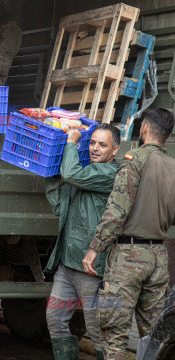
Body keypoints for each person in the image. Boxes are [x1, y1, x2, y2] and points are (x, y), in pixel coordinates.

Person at [83, 108, 175, 360]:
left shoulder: (135, 158)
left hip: (128, 258)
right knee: (156, 336)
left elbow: (117, 209)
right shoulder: (173, 166)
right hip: (158, 256)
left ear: (145, 128)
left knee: (114, 332)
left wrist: (95, 248)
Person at [45, 124, 120, 360]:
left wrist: (70, 143)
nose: (95, 149)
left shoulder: (109, 174)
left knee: (97, 332)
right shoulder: (87, 172)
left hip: (90, 270)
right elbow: (60, 204)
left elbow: (71, 174)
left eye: (102, 145)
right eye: (92, 143)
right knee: (55, 321)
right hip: (67, 264)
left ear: (115, 150)